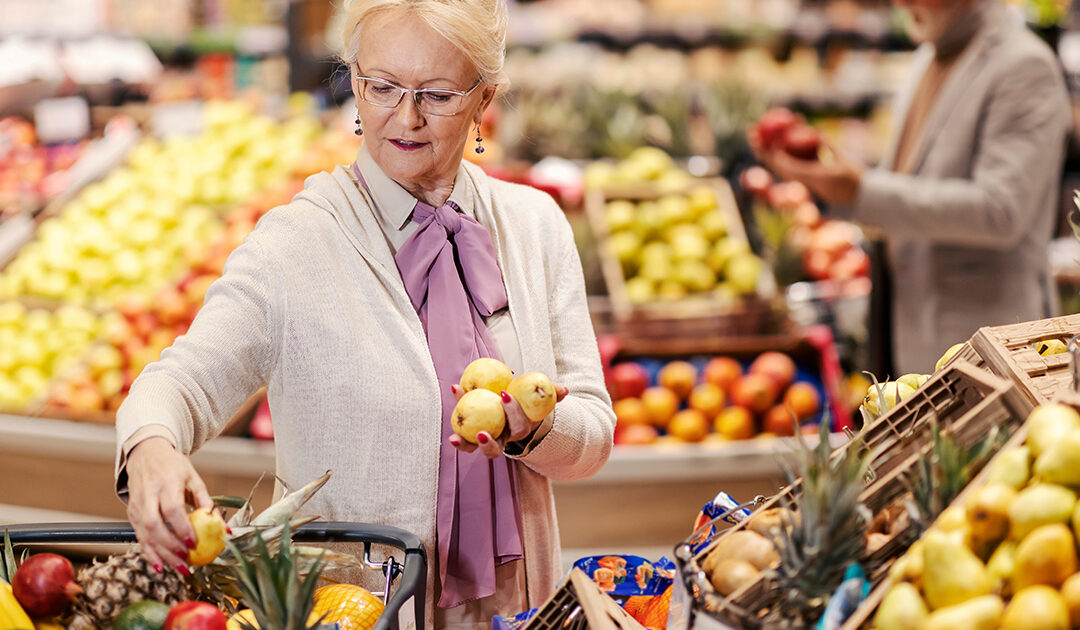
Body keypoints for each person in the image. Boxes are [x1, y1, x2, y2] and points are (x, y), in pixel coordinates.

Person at [115, 1, 616, 627]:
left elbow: (594, 434)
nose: (405, 118)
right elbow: (181, 382)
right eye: (382, 87)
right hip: (353, 612)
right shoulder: (295, 245)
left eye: (437, 95)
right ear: (354, 81)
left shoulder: (534, 226)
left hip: (523, 610)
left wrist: (533, 426)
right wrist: (150, 448)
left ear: (484, 98)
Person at [751, 0, 1072, 375]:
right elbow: (906, 183)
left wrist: (860, 191)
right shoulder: (928, 55)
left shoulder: (1025, 65)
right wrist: (832, 184)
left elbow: (1001, 211)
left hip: (989, 349)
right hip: (912, 330)